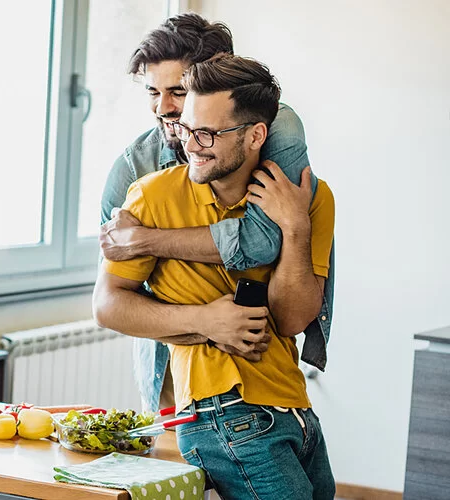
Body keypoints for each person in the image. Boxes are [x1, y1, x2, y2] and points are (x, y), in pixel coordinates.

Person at [93, 54, 335, 499]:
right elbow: (108, 306)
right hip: (221, 412)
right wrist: (204, 319)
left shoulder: (309, 198)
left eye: (206, 132)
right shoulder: (152, 197)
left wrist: (295, 228)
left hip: (295, 406)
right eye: (186, 128)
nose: (191, 144)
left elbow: (292, 319)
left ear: (255, 135)